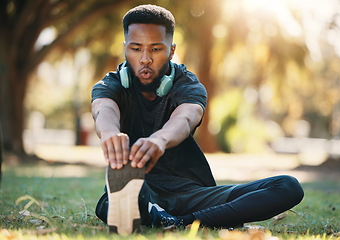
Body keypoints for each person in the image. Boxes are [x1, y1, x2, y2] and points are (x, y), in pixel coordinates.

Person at [91, 4, 304, 234]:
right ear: (125, 48)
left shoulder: (188, 85)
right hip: (140, 187)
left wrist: (160, 139)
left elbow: (185, 118)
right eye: (135, 49)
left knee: (288, 186)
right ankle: (143, 209)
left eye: (155, 49)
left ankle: (177, 221)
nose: (145, 59)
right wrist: (109, 133)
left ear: (171, 51)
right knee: (120, 196)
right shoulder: (111, 84)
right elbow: (104, 110)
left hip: (192, 194)